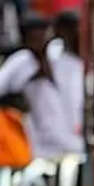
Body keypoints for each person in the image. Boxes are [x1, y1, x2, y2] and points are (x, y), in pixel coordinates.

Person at [0, 14, 83, 160]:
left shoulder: (60, 59)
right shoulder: (21, 60)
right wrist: (17, 98)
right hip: (34, 141)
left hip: (68, 139)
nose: (39, 38)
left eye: (42, 33)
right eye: (34, 35)